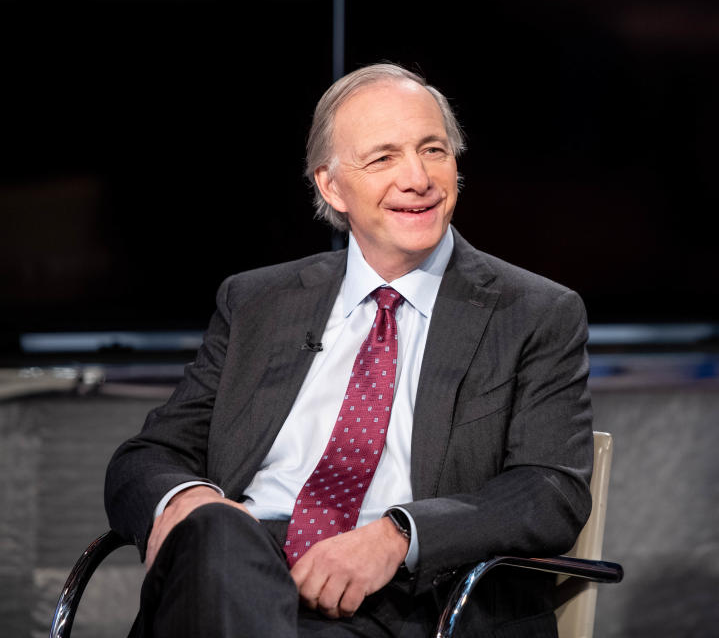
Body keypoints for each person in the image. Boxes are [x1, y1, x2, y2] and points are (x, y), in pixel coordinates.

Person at [105, 63, 594, 638]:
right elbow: (148, 455)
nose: (418, 178)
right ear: (331, 186)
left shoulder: (533, 312)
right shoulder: (259, 301)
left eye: (433, 150)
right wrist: (186, 503)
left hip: (413, 602)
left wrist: (397, 535)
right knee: (215, 535)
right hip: (240, 571)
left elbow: (549, 489)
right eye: (383, 158)